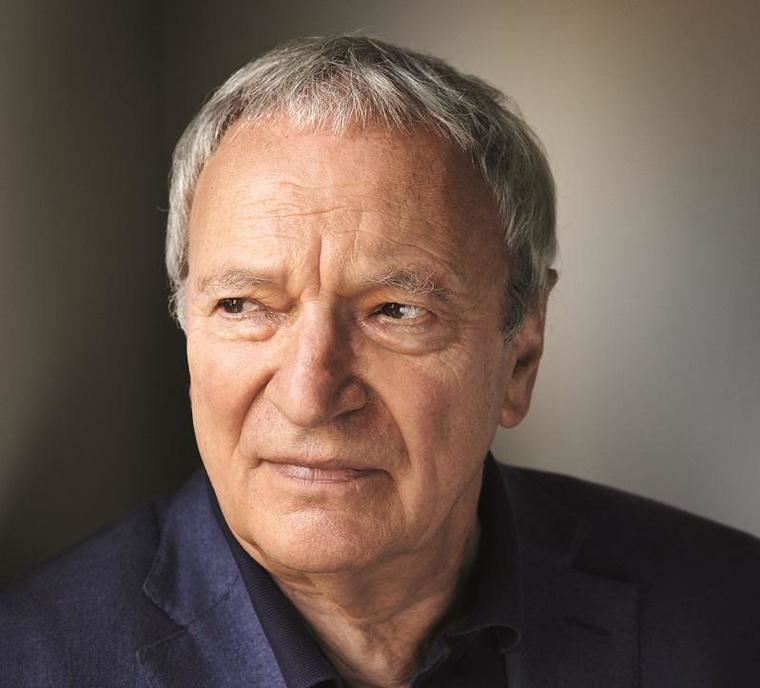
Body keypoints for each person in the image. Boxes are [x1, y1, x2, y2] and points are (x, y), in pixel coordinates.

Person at [1, 34, 758, 688]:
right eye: (243, 305)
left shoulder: (733, 618)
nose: (309, 395)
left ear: (520, 353)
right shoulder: (30, 660)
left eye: (396, 312)